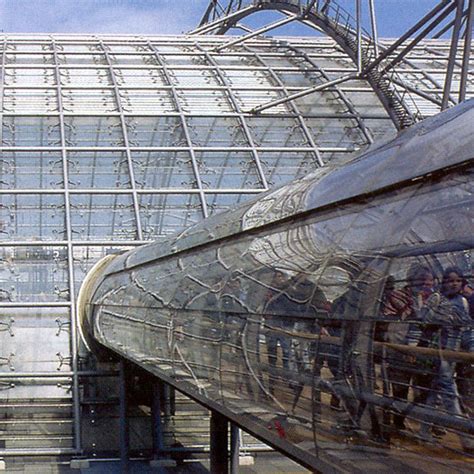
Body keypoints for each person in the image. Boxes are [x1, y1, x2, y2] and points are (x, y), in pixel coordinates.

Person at [417, 266, 473, 451]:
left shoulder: (463, 302)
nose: (454, 284)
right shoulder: (436, 298)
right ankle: (465, 438)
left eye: (457, 280)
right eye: (450, 280)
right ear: (444, 282)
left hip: (451, 355)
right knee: (450, 394)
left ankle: (423, 433)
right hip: (437, 353)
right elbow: (423, 321)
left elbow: (466, 330)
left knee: (434, 395)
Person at [383, 264, 436, 431]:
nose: (426, 284)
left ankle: (408, 417)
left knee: (423, 389)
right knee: (400, 388)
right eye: (422, 280)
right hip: (398, 347)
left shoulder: (425, 299)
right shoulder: (398, 295)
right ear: (411, 280)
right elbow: (406, 318)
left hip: (420, 350)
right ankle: (397, 422)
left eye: (429, 281)